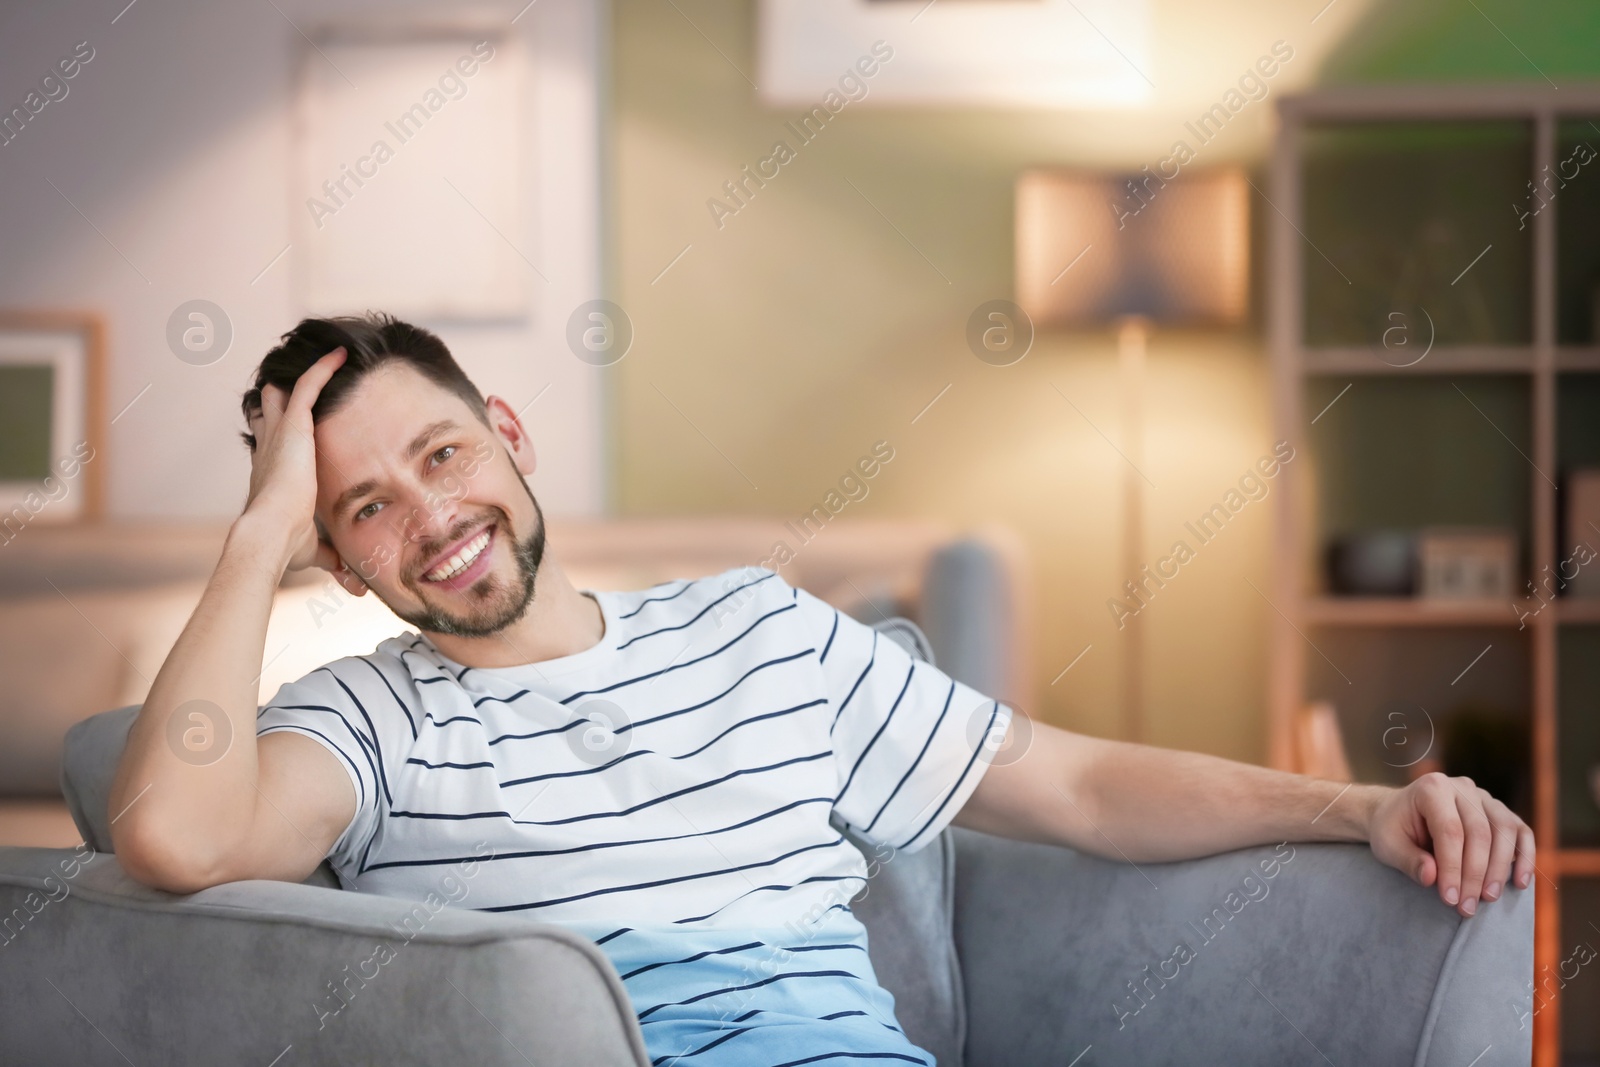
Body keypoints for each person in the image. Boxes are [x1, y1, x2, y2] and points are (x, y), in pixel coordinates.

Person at [110, 313, 1535, 1066]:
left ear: (507, 433)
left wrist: (1360, 805)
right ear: (337, 561)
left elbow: (1084, 787)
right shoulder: (367, 718)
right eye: (360, 507)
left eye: (439, 455)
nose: (430, 517)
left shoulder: (757, 630)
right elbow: (175, 836)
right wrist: (252, 539)